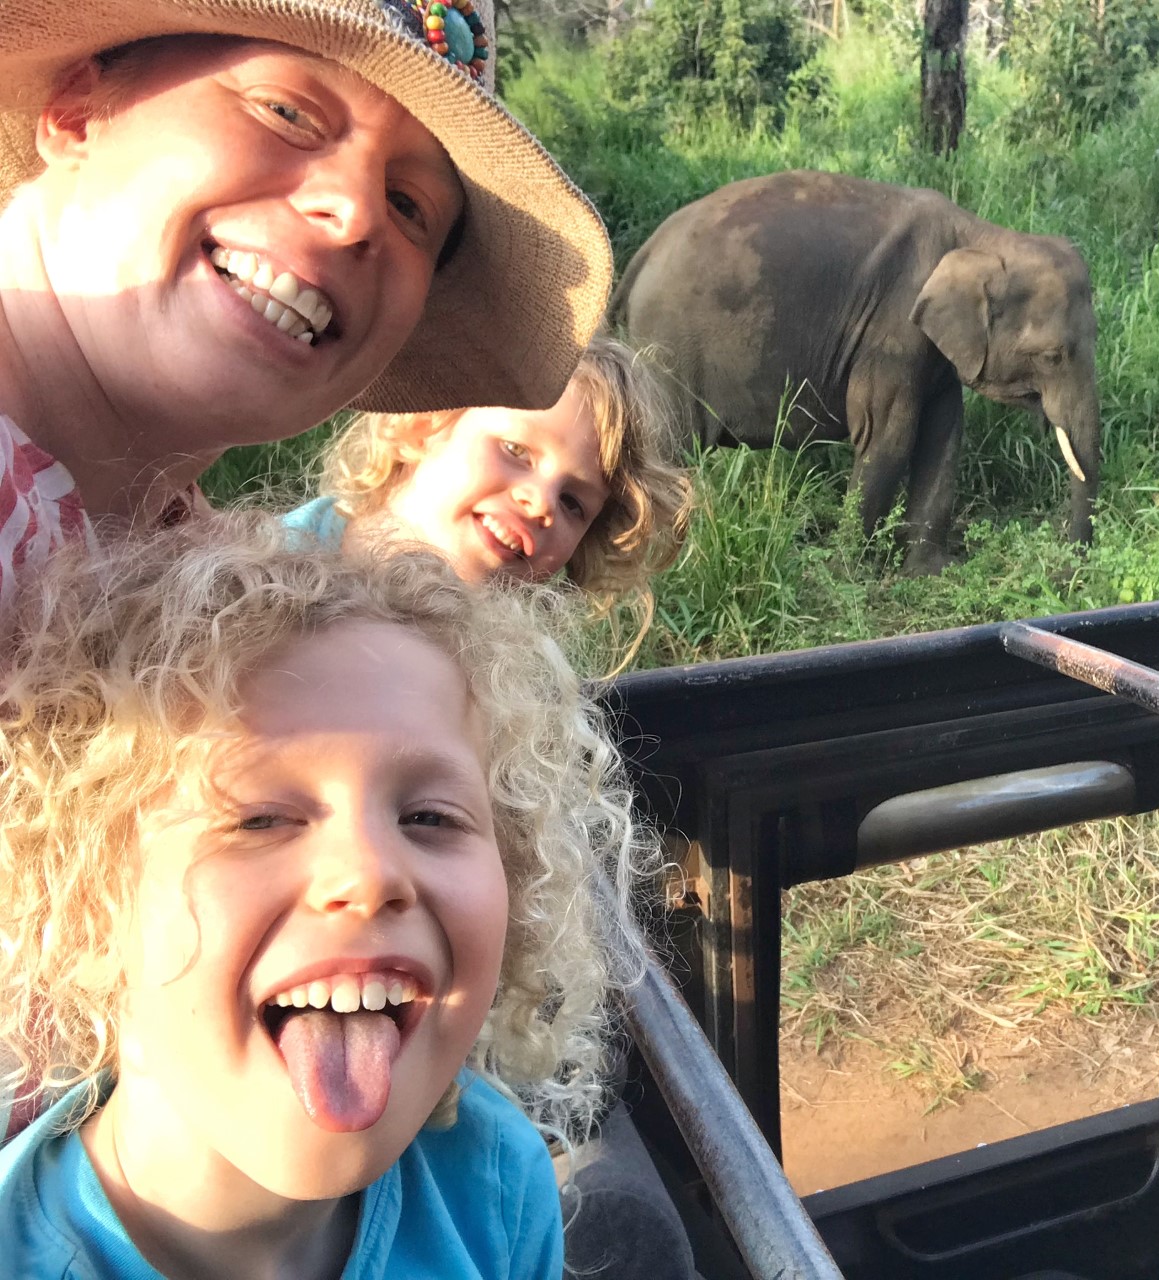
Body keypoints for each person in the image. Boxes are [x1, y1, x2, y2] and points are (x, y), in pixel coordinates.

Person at [0, 511, 652, 1278]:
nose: (371, 873)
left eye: (429, 818)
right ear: (86, 909)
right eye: (260, 819)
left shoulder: (492, 1183)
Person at [0, 0, 611, 613]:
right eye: (287, 112)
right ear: (76, 112)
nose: (357, 214)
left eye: (408, 206)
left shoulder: (181, 568)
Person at [283, 334, 693, 650]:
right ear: (425, 423)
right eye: (516, 451)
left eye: (573, 503)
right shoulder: (271, 572)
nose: (540, 503)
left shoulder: (515, 676)